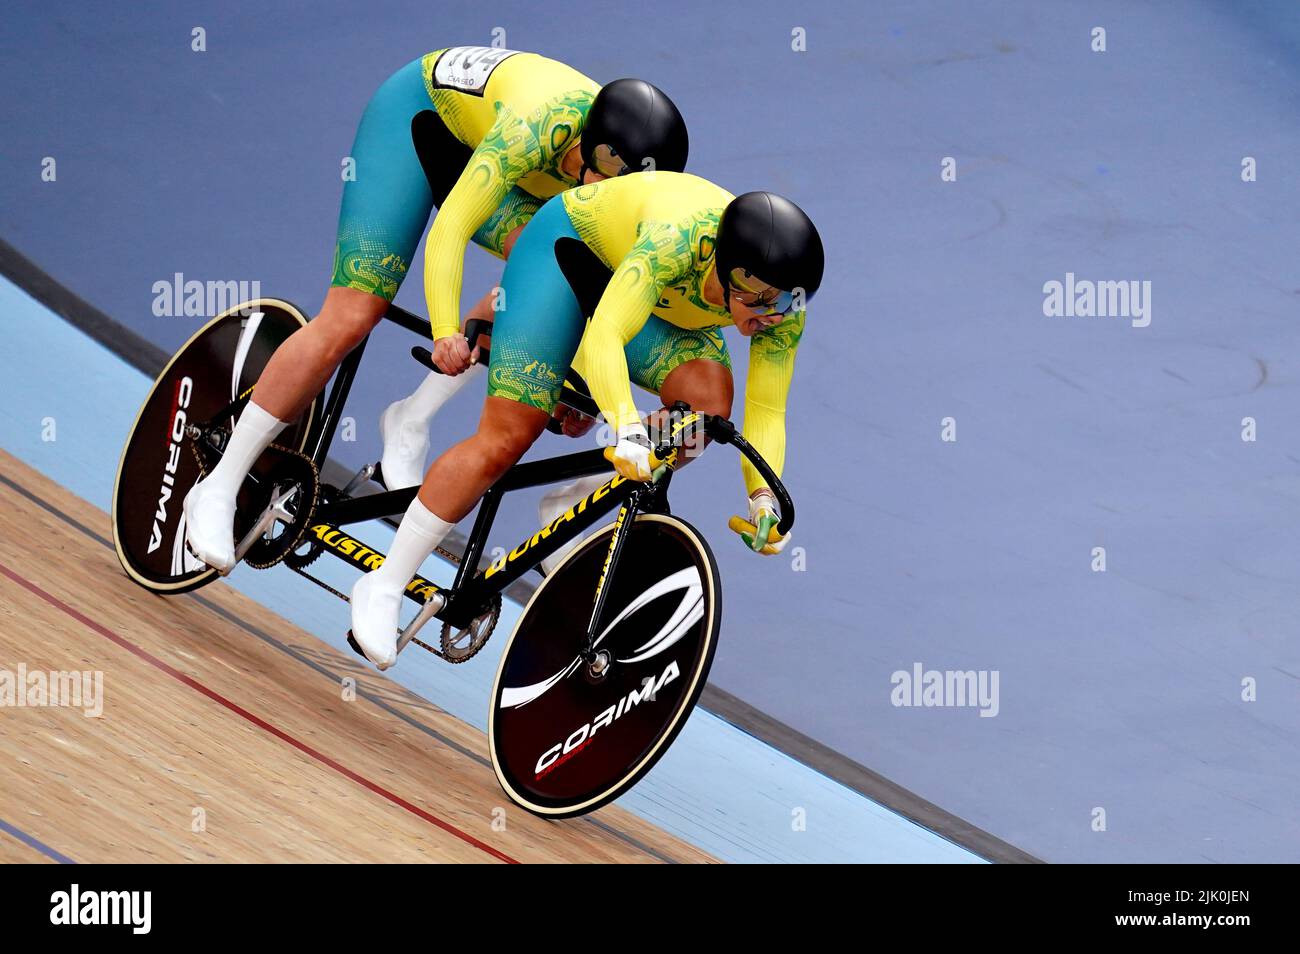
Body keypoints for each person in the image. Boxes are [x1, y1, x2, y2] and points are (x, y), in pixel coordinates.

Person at [182, 46, 689, 572]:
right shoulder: (537, 126)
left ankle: (410, 418)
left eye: (633, 182)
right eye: (609, 167)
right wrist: (446, 330)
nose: (616, 186)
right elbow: (451, 231)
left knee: (550, 270)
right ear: (588, 142)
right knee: (354, 315)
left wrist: (577, 383)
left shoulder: (615, 197)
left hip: (493, 163)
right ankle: (218, 486)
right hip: (415, 127)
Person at [349, 173, 824, 668]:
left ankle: (575, 502)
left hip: (647, 302)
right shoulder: (676, 241)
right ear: (729, 272)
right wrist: (628, 426)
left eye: (789, 301)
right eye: (764, 300)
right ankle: (385, 582)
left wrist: (763, 495)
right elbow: (606, 339)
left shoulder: (781, 308)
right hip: (562, 260)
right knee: (509, 435)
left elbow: (768, 409)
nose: (776, 315)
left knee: (704, 412)